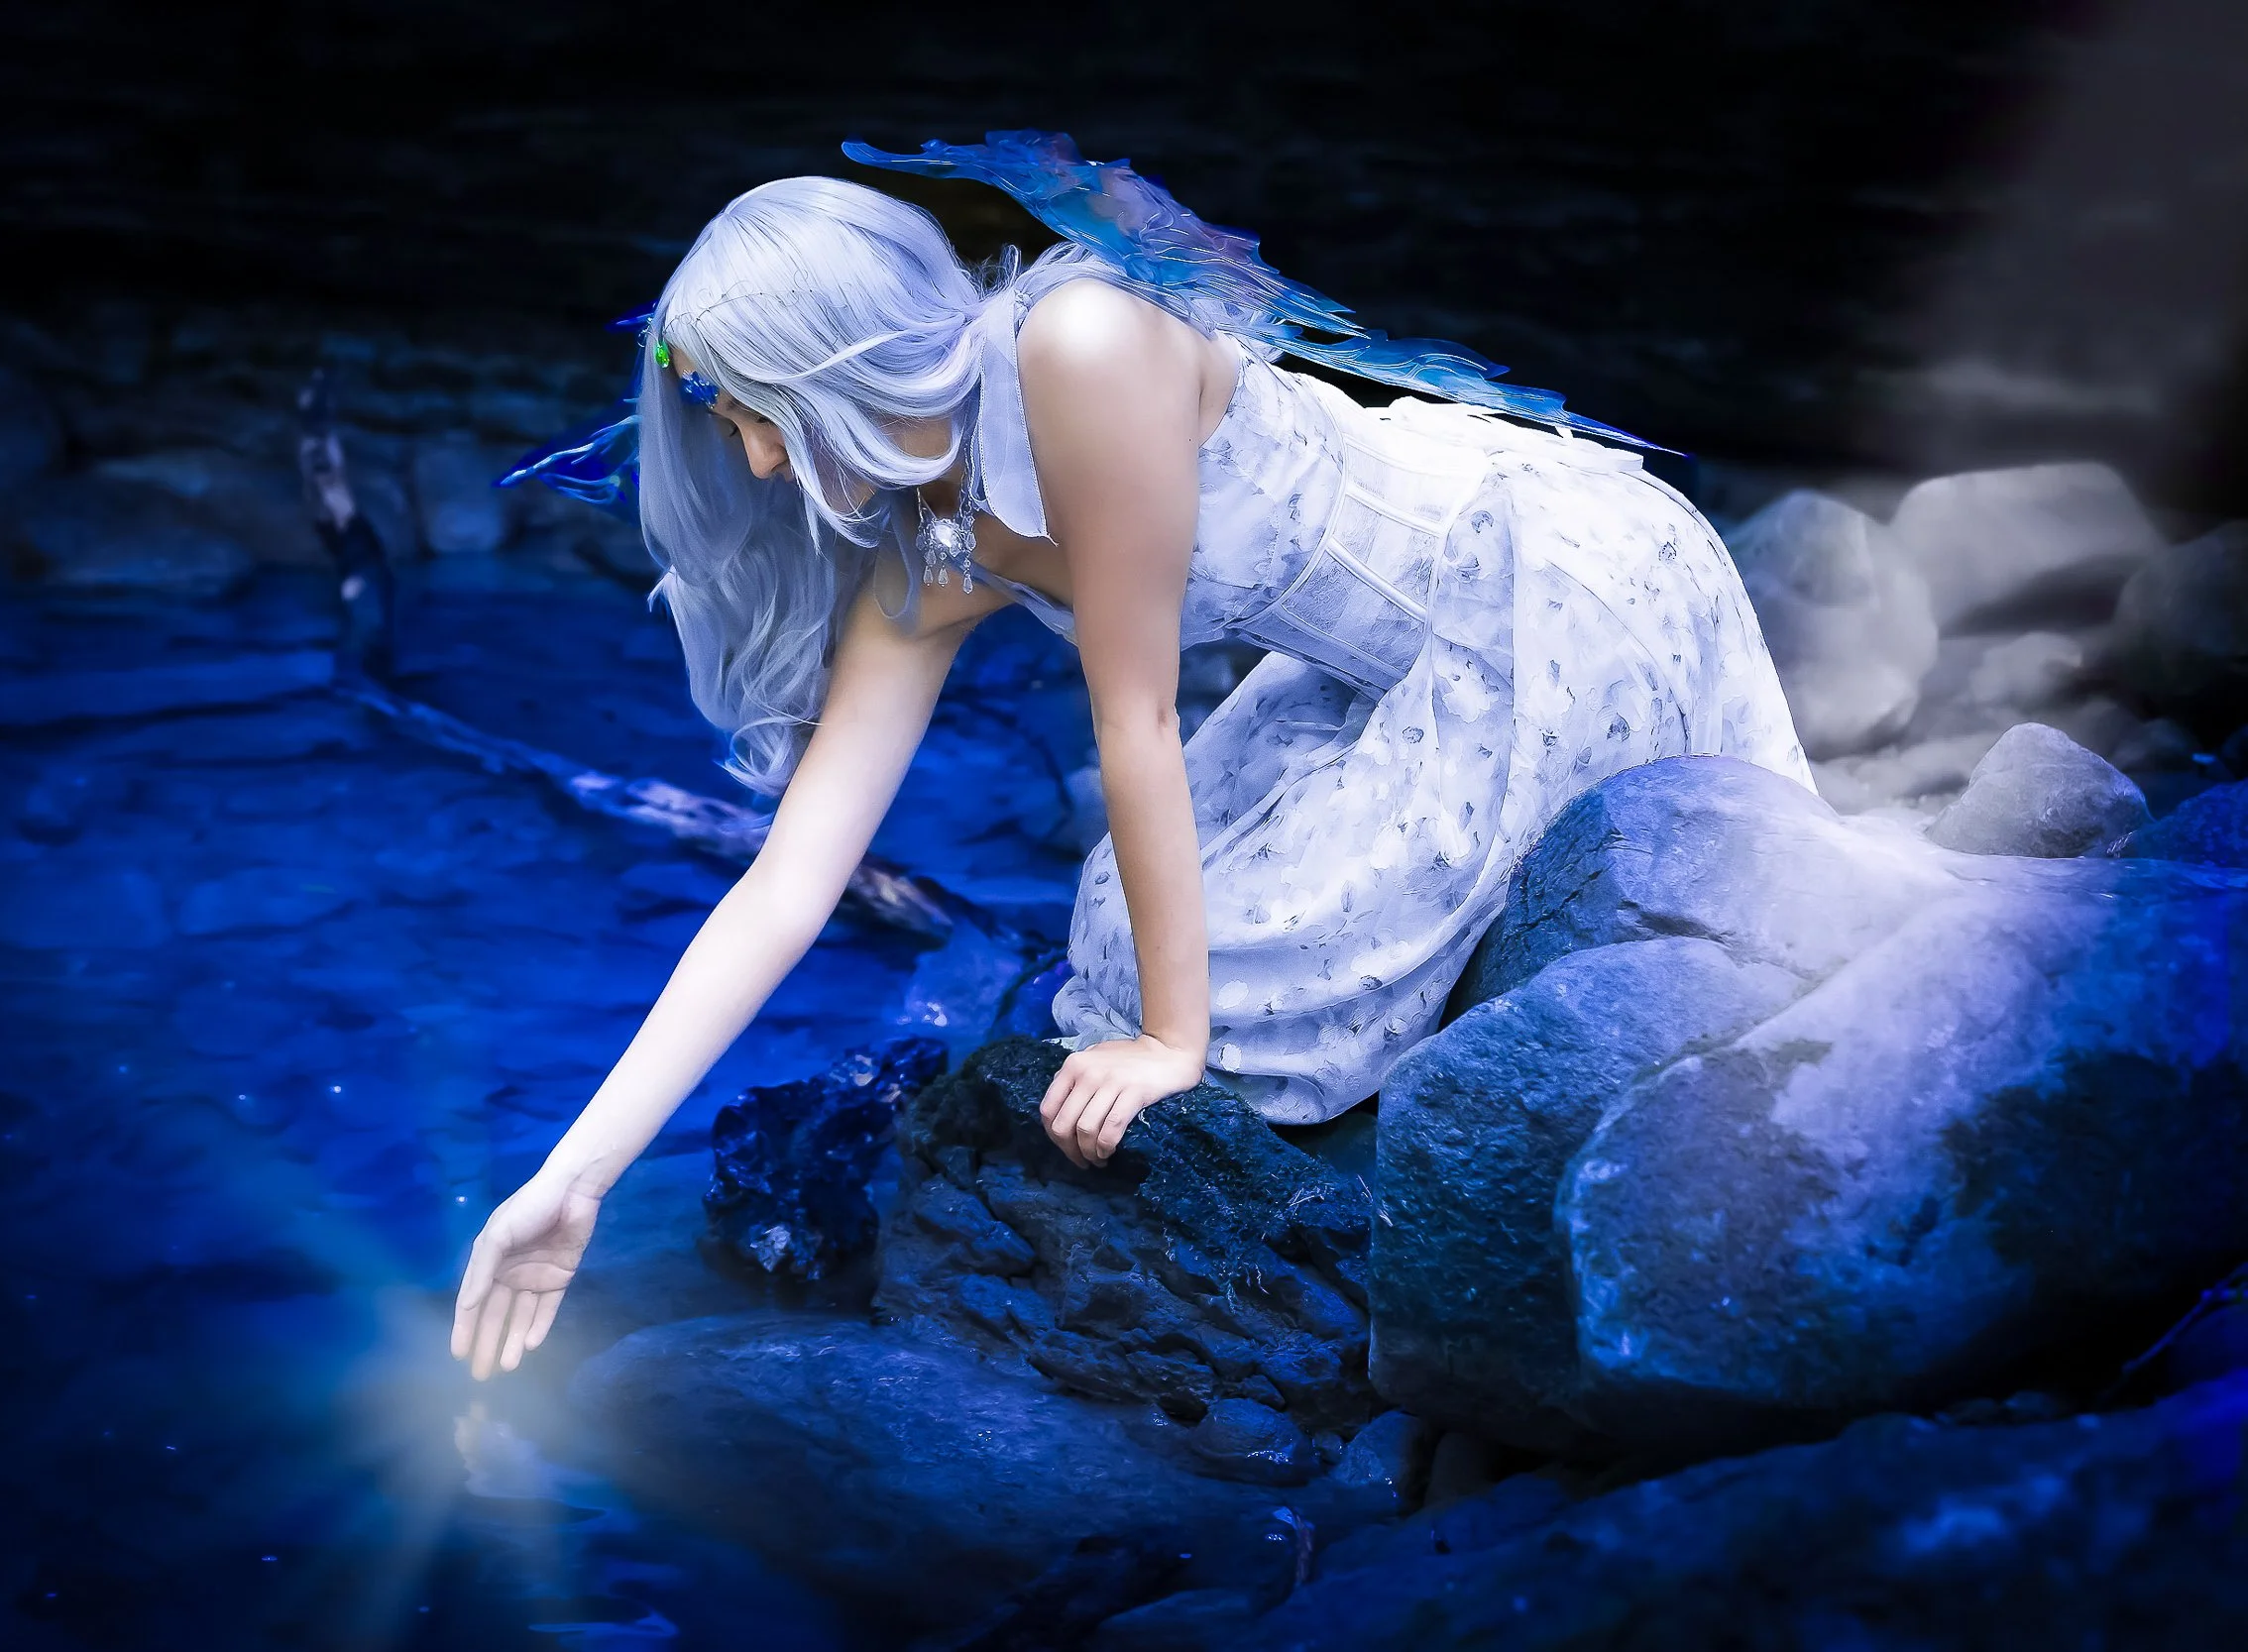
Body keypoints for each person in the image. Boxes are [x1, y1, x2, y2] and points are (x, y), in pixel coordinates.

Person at [450, 134, 1811, 1379]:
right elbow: (788, 883)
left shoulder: (1080, 344)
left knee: (1233, 979)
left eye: (760, 413)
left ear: (842, 360)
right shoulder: (926, 555)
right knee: (1108, 936)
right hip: (1369, 669)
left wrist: (1173, 1039)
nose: (753, 462)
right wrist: (573, 1180)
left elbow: (1136, 718)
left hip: (1547, 583)